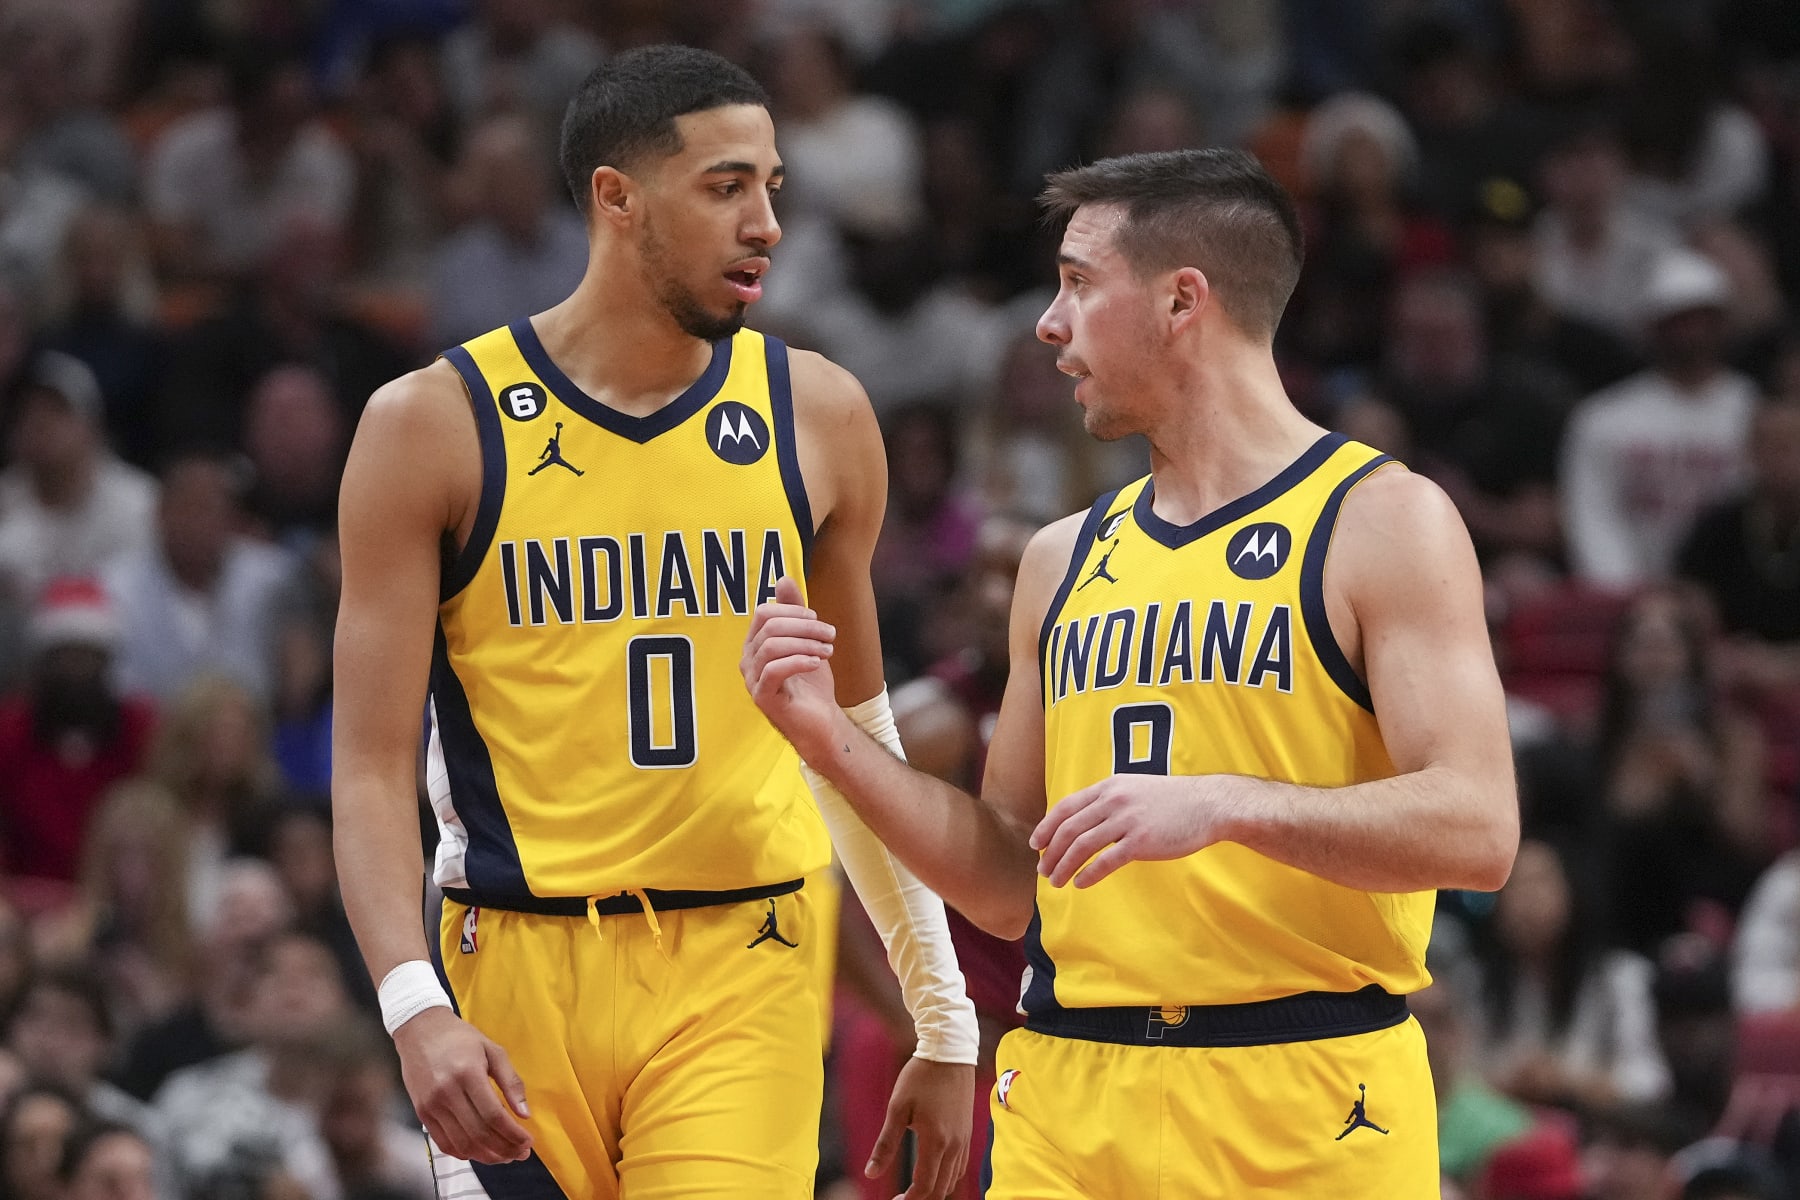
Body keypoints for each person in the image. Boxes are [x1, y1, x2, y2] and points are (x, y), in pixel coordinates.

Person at [744, 147, 1519, 1197]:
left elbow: (1478, 830)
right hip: (1070, 1092)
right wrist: (828, 739)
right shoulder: (1058, 559)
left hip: (1305, 1094)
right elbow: (1009, 884)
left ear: (1181, 301)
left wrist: (1227, 804)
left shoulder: (1381, 521)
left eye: (1077, 282)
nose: (1046, 323)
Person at [332, 44, 976, 1200]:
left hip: (748, 954)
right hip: (513, 959)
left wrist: (943, 1014)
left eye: (772, 187)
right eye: (726, 188)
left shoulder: (819, 414)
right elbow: (371, 770)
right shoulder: (433, 425)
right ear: (616, 199)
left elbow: (859, 742)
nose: (766, 223)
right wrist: (412, 1005)